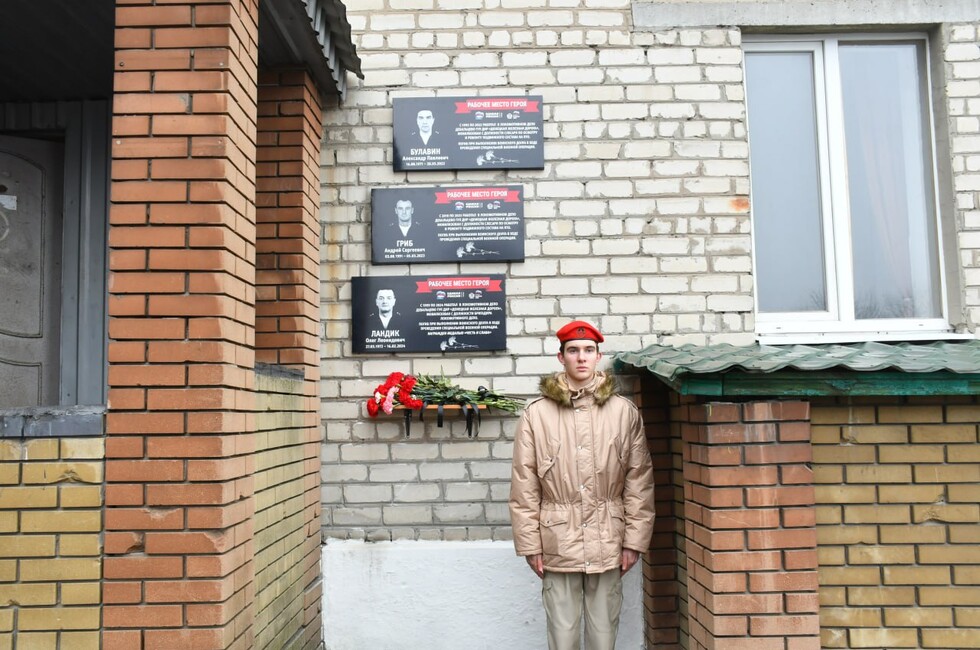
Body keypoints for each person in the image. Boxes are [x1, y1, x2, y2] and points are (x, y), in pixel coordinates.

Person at [509, 321, 655, 650]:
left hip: (608, 540)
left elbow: (639, 481)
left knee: (604, 637)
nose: (581, 358)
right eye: (573, 351)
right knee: (563, 638)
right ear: (561, 357)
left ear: (599, 355)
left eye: (588, 350)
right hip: (557, 542)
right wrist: (531, 546)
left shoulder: (623, 412)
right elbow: (524, 486)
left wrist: (634, 540)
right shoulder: (537, 414)